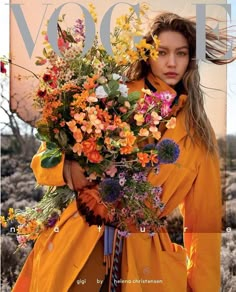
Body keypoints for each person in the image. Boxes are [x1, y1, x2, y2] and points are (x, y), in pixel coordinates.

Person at [12, 12, 235, 292]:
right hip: (78, 243)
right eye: (162, 52)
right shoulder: (109, 92)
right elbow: (43, 159)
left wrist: (202, 288)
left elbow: (205, 228)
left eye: (181, 53)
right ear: (147, 55)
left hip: (146, 264)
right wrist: (68, 170)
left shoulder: (199, 137)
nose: (171, 62)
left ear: (190, 60)